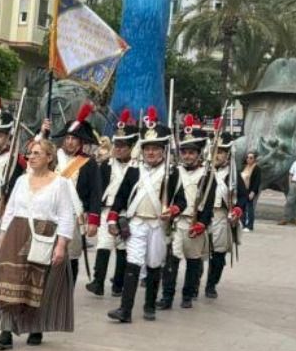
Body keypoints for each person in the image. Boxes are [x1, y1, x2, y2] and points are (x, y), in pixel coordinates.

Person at [0, 135, 76, 349]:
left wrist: (62, 245)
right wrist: (1, 237)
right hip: (16, 234)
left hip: (44, 236)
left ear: (49, 157)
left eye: (37, 153)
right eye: (30, 153)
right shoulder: (21, 180)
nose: (31, 156)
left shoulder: (61, 183)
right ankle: (5, 331)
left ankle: (36, 327)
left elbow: (66, 215)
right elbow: (9, 211)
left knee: (38, 282)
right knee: (9, 280)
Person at [106, 111, 184, 324]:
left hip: (158, 225)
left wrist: (173, 210)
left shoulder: (172, 173)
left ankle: (149, 305)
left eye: (155, 148)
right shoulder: (133, 171)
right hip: (137, 222)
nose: (150, 152)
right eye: (147, 148)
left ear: (162, 151)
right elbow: (121, 197)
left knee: (153, 264)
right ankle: (125, 309)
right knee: (133, 262)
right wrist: (112, 218)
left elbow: (182, 201)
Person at [158, 119, 214, 311]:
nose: (188, 156)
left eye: (191, 152)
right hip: (176, 223)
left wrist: (203, 224)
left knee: (192, 262)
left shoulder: (207, 175)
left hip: (194, 223)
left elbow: (208, 204)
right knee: (171, 261)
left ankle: (188, 295)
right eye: (185, 152)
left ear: (199, 154)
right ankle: (167, 296)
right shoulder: (174, 172)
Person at [87, 110, 138, 298]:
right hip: (106, 210)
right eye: (117, 144)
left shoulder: (137, 167)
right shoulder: (106, 165)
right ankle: (98, 281)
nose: (118, 148)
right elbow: (98, 190)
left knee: (123, 248)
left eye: (123, 145)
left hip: (126, 212)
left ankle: (118, 284)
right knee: (104, 244)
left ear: (132, 147)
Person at [52, 104, 102, 288]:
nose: (70, 142)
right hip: (52, 212)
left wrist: (94, 220)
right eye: (68, 138)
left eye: (74, 138)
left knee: (71, 256)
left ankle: (67, 290)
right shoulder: (55, 159)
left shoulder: (89, 164)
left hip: (74, 215)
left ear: (81, 142)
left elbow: (96, 192)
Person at [204, 131, 243, 299]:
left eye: (220, 151)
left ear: (227, 154)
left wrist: (236, 210)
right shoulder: (204, 171)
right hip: (203, 215)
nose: (217, 155)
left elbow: (242, 197)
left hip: (221, 216)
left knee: (218, 254)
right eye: (215, 151)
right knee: (197, 253)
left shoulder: (233, 175)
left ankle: (211, 284)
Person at [237, 150, 263, 231]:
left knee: (249, 208)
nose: (249, 159)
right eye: (247, 157)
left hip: (250, 191)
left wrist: (253, 192)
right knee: (242, 208)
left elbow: (257, 181)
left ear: (254, 159)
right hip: (243, 191)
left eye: (251, 158)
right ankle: (243, 224)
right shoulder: (244, 167)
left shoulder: (256, 168)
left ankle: (250, 225)